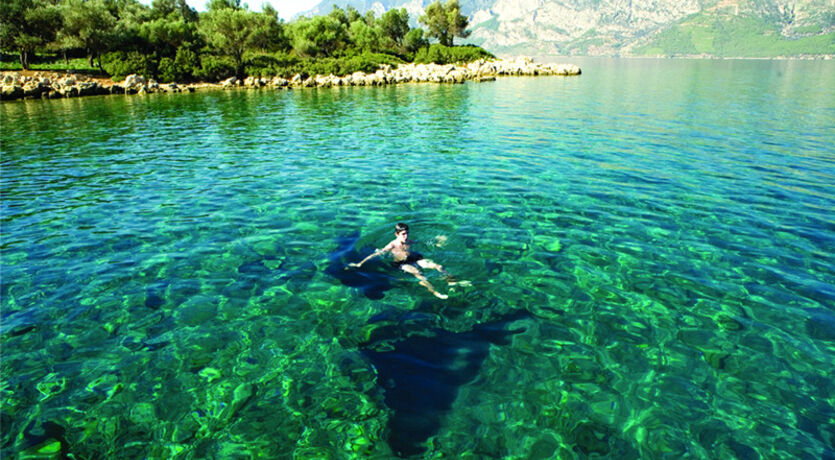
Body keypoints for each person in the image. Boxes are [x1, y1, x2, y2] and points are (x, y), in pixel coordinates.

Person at [348, 223, 465, 299]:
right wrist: (360, 263)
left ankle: (451, 281)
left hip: (414, 258)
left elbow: (422, 242)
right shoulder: (392, 245)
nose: (406, 236)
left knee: (438, 266)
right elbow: (376, 254)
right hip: (401, 264)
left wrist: (436, 241)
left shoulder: (409, 241)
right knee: (419, 274)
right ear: (397, 234)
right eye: (403, 234)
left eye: (407, 233)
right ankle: (435, 292)